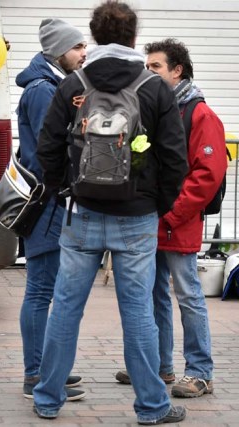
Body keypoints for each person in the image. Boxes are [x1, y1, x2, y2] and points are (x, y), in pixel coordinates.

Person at [32, 1, 189, 424]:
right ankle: (152, 407)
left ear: (95, 36)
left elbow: (47, 148)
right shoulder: (154, 87)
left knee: (65, 308)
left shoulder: (74, 82)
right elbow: (176, 158)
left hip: (82, 212)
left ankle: (47, 399)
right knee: (138, 313)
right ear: (134, 38)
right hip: (137, 217)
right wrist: (158, 204)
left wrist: (64, 189)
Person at [115, 38, 226, 398]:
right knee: (154, 295)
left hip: (177, 221)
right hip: (153, 220)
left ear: (177, 71)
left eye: (156, 67)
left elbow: (207, 174)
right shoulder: (154, 109)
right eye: (146, 66)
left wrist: (173, 214)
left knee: (188, 295)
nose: (148, 72)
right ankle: (159, 369)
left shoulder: (200, 114)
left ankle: (200, 372)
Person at [15, 18, 87, 401]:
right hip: (47, 202)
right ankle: (36, 376)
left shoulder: (51, 85)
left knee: (45, 288)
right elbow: (50, 149)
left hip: (49, 201)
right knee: (42, 290)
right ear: (58, 50)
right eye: (77, 47)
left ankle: (44, 368)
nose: (83, 52)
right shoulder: (44, 90)